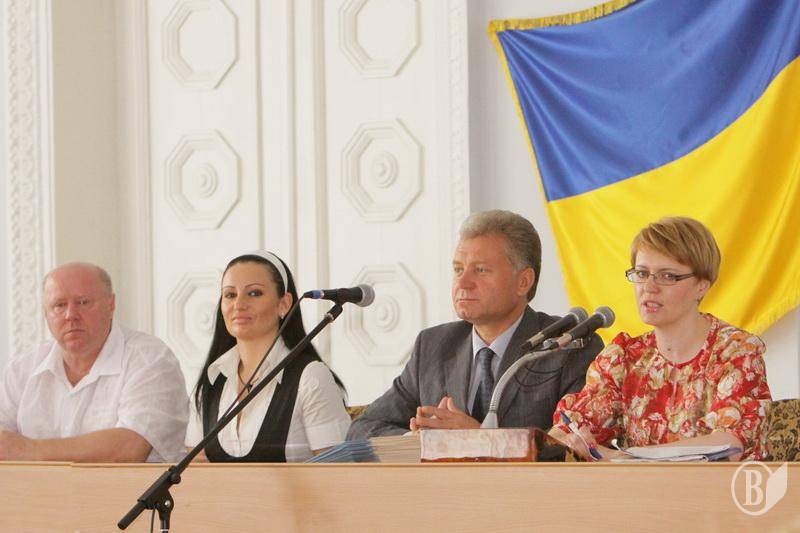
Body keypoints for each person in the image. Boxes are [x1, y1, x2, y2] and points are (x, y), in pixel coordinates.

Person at [347, 210, 603, 440]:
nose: (463, 283)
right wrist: (421, 442)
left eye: (480, 270)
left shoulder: (569, 346)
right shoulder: (433, 347)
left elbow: (576, 443)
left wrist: (480, 439)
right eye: (458, 270)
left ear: (523, 281)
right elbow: (363, 428)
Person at [550, 217, 772, 461]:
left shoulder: (736, 352)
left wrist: (624, 459)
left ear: (702, 285)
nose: (649, 287)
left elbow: (727, 447)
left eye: (667, 276)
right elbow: (567, 429)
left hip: (724, 486)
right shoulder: (625, 357)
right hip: (636, 487)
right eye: (642, 273)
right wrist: (567, 440)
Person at [0, 262, 188, 462]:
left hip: (127, 484)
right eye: (59, 305)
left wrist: (27, 449)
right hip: (31, 484)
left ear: (111, 305)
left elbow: (128, 449)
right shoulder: (21, 369)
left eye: (83, 302)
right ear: (45, 313)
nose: (71, 315)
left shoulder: (151, 360)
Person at [186, 251, 350, 462]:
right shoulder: (211, 381)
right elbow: (195, 472)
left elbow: (338, 473)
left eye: (254, 293)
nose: (239, 304)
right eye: (230, 295)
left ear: (284, 304)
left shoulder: (311, 378)